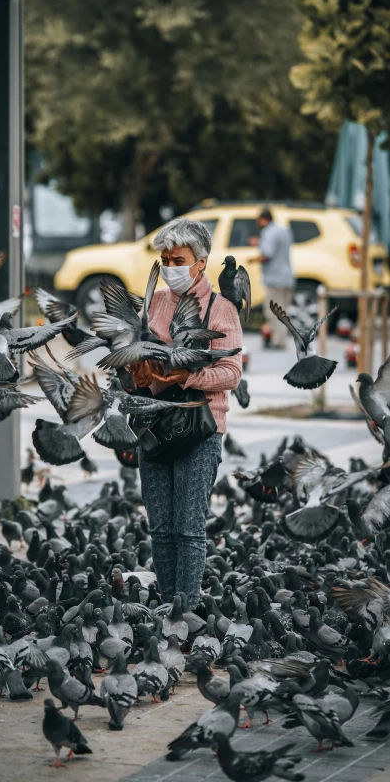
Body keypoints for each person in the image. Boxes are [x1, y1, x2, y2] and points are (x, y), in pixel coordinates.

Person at [129, 217, 242, 610]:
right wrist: (138, 373)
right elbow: (137, 364)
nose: (171, 267)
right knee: (160, 527)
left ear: (201, 262)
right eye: (165, 260)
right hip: (156, 424)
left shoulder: (220, 308)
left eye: (178, 259)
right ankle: (165, 606)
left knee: (189, 528)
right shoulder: (154, 303)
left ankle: (188, 611)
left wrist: (188, 376)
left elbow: (231, 373)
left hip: (201, 427)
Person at [249, 208, 295, 349]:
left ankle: (278, 341)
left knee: (272, 311)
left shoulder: (268, 232)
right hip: (287, 276)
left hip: (275, 278)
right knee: (284, 310)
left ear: (263, 219)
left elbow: (267, 254)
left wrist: (253, 259)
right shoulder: (284, 230)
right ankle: (282, 339)